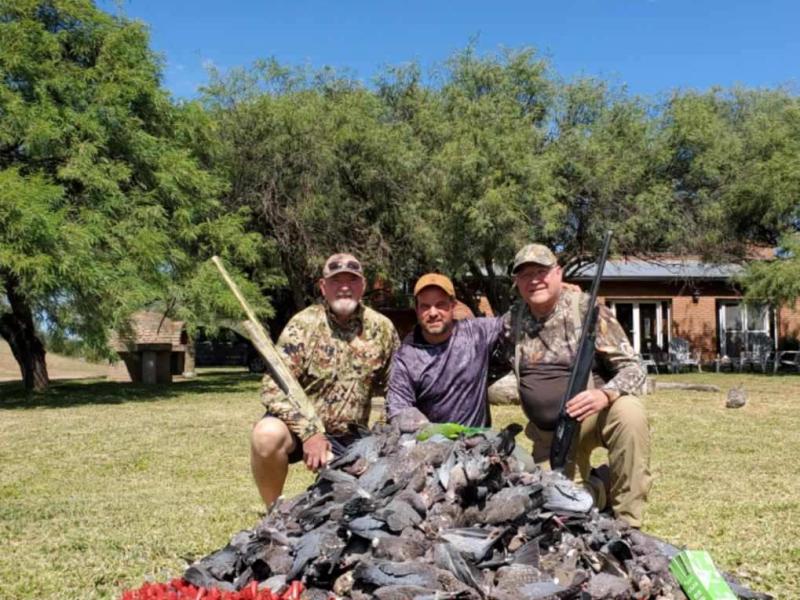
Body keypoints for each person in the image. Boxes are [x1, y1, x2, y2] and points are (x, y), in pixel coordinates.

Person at [499, 243, 652, 527]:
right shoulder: (512, 321)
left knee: (630, 414)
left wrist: (605, 394)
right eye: (525, 274)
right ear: (516, 282)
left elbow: (634, 368)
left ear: (558, 273)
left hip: (594, 416)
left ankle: (629, 523)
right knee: (557, 509)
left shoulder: (587, 310)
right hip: (550, 435)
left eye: (541, 271)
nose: (534, 279)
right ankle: (600, 487)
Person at [250, 253, 400, 505]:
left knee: (358, 507)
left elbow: (396, 387)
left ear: (362, 286)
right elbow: (272, 388)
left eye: (351, 281)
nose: (344, 287)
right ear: (323, 286)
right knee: (266, 434)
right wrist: (310, 433)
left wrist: (385, 436)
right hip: (301, 432)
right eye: (336, 281)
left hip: (353, 439)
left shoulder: (382, 328)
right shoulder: (303, 325)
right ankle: (274, 512)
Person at [385, 273, 504, 428]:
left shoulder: (478, 333)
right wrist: (416, 423)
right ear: (417, 310)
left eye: (440, 304)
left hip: (476, 445)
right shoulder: (407, 356)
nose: (433, 313)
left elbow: (514, 322)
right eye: (425, 306)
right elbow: (397, 407)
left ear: (453, 306)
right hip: (430, 447)